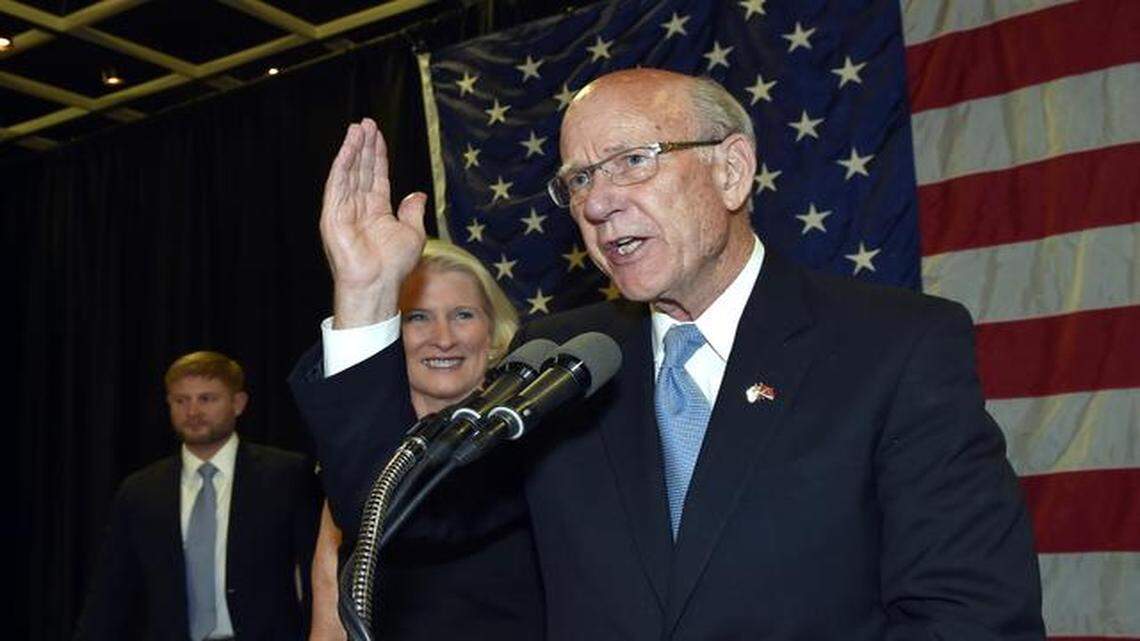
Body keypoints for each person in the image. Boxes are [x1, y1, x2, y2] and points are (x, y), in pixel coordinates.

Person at [292, 68, 1044, 639]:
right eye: (579, 178)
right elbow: (405, 516)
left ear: (731, 170)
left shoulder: (894, 347)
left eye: (633, 161)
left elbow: (969, 617)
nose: (596, 201)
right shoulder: (564, 359)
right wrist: (363, 294)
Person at [306, 240, 543, 641]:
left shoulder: (537, 449)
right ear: (389, 337)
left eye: (463, 315)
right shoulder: (361, 472)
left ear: (493, 331)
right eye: (418, 318)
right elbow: (329, 621)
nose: (444, 338)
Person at [74, 351, 321, 641]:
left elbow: (317, 570)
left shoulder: (285, 476)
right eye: (181, 400)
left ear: (238, 403)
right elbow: (111, 590)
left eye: (206, 399)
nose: (192, 412)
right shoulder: (141, 491)